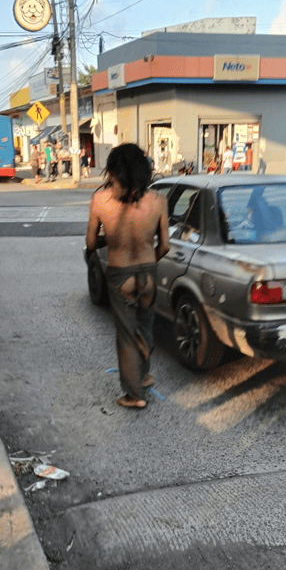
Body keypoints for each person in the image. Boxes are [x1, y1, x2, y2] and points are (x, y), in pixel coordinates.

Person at [86, 143, 170, 409]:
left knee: (126, 335)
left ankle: (134, 396)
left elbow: (90, 243)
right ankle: (143, 376)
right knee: (145, 325)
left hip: (119, 274)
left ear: (113, 171)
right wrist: (148, 264)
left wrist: (109, 238)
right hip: (149, 272)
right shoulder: (158, 201)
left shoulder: (101, 200)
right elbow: (165, 245)